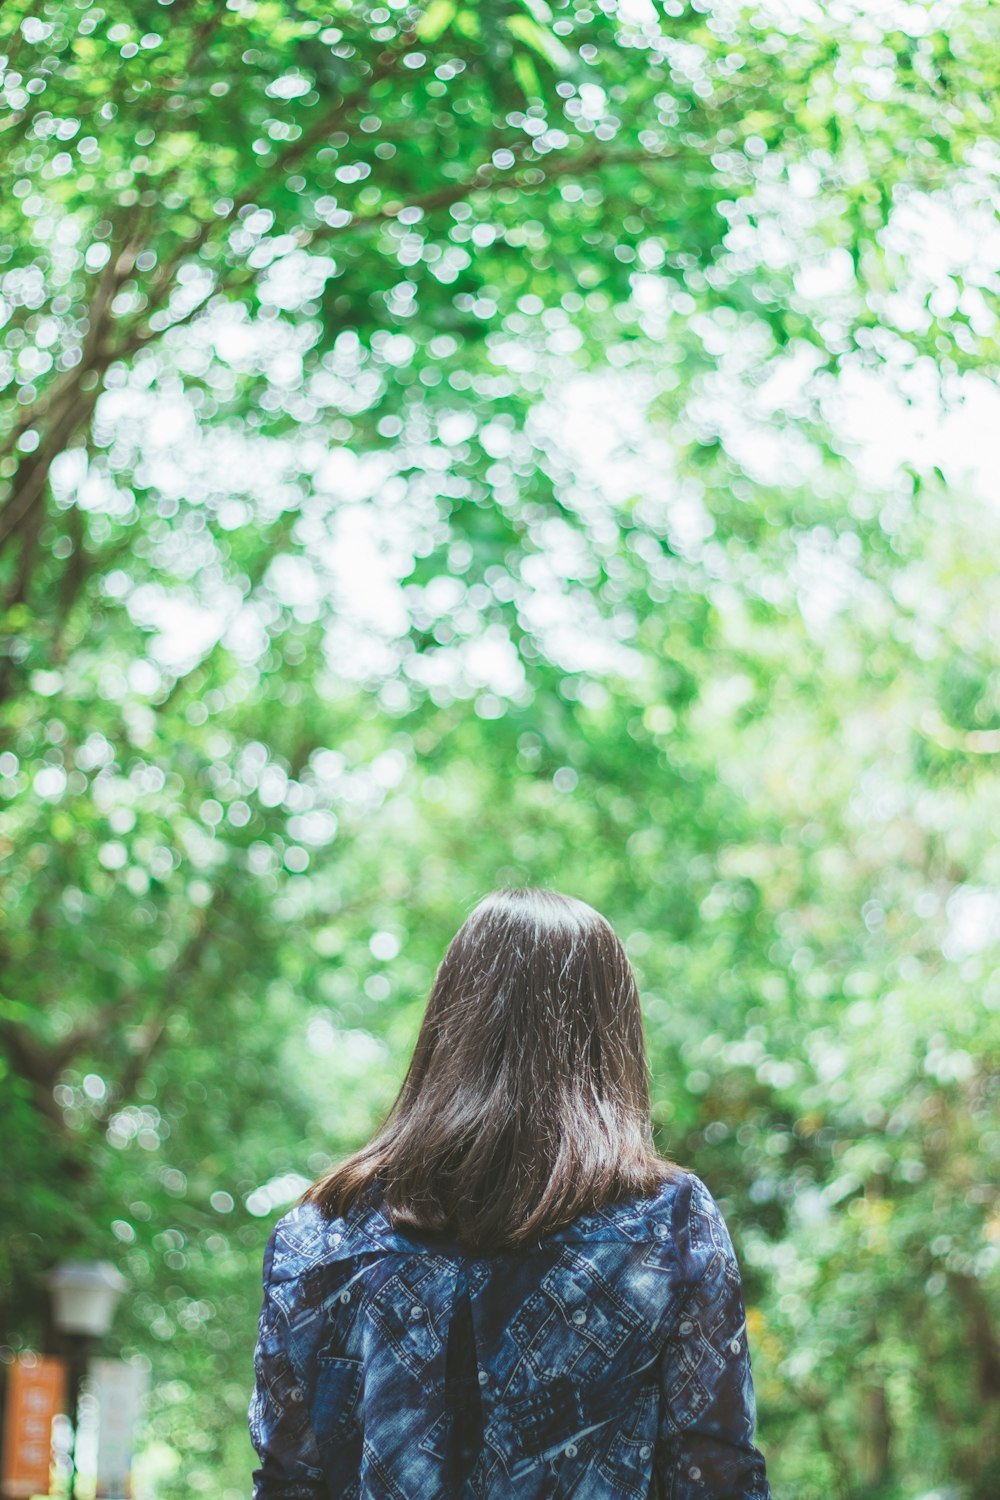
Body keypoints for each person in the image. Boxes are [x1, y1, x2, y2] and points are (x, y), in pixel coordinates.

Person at [248, 887, 772, 1498]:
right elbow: (715, 1473)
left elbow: (289, 1481)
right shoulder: (666, 1223)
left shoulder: (318, 1235)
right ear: (611, 1033)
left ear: (448, 1020)